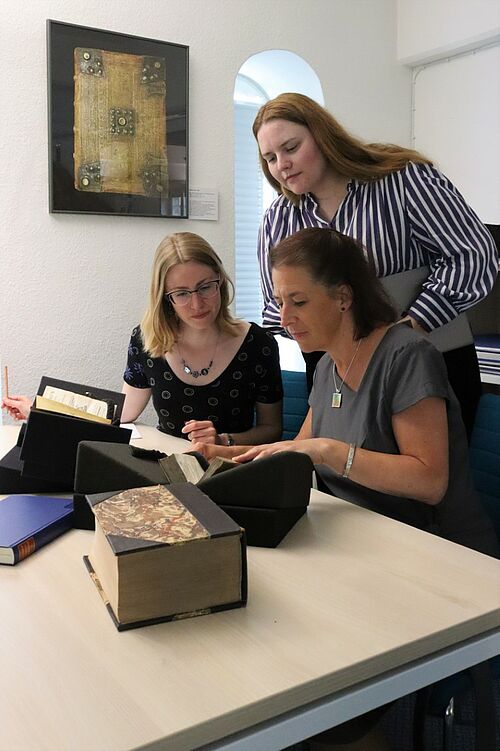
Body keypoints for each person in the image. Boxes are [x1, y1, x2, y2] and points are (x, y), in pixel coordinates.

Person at [193, 226, 499, 750]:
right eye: (279, 300)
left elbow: (429, 480)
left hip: (441, 564)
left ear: (343, 296)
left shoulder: (407, 355)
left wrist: (330, 453)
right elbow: (298, 452)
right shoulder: (330, 366)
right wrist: (231, 454)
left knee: (318, 701)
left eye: (298, 301)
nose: (283, 317)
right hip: (364, 554)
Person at [252, 92, 499, 439]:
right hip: (335, 372)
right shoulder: (278, 219)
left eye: (291, 148)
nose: (282, 165)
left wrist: (408, 328)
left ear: (323, 136)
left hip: (425, 358)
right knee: (339, 481)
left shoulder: (403, 181)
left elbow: (473, 255)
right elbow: (272, 306)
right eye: (270, 158)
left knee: (421, 482)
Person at [3, 232, 284, 447]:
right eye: (182, 294)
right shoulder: (147, 341)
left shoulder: (258, 344)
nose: (197, 304)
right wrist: (41, 408)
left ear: (220, 281)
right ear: (165, 297)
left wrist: (224, 440)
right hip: (165, 466)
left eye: (205, 287)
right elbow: (120, 413)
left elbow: (272, 429)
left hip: (232, 469)